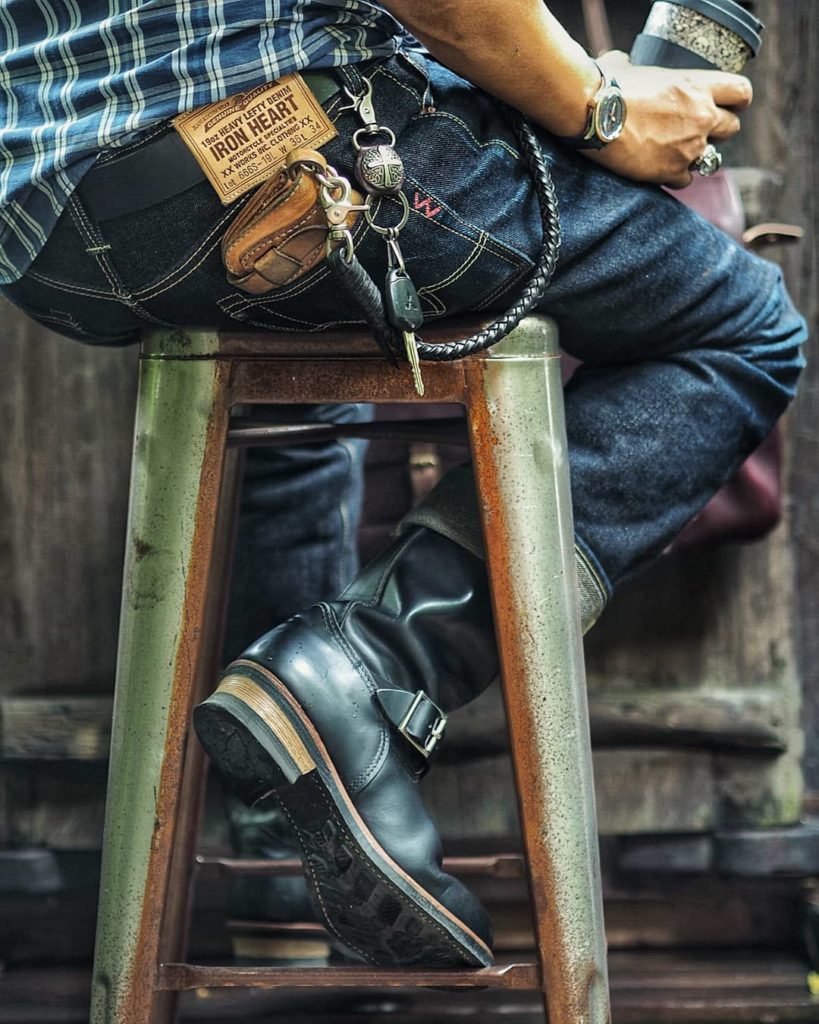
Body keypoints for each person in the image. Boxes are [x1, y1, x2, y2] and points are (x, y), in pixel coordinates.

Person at [0, 0, 807, 970]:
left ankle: (296, 868)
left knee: (306, 370)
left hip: (45, 215)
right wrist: (602, 107)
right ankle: (372, 669)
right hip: (278, 136)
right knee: (743, 327)